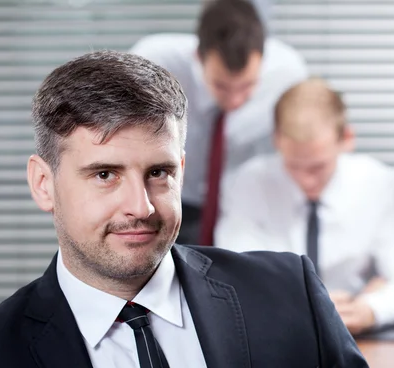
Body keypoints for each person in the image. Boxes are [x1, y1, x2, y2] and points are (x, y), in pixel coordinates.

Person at [0, 51, 373, 368]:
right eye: (105, 174)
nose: (140, 207)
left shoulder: (290, 295)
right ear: (44, 184)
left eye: (158, 172)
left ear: (181, 169)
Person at [215, 78, 394, 335]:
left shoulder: (381, 185)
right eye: (294, 165)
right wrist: (311, 306)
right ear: (277, 141)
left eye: (318, 167)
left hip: (357, 339)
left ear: (347, 139)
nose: (307, 180)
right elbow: (237, 279)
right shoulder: (248, 184)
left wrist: (370, 308)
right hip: (275, 336)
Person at [130, 0, 307, 246]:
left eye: (246, 87)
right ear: (197, 58)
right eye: (221, 86)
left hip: (240, 210)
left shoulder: (286, 74)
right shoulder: (155, 65)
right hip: (173, 201)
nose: (234, 100)